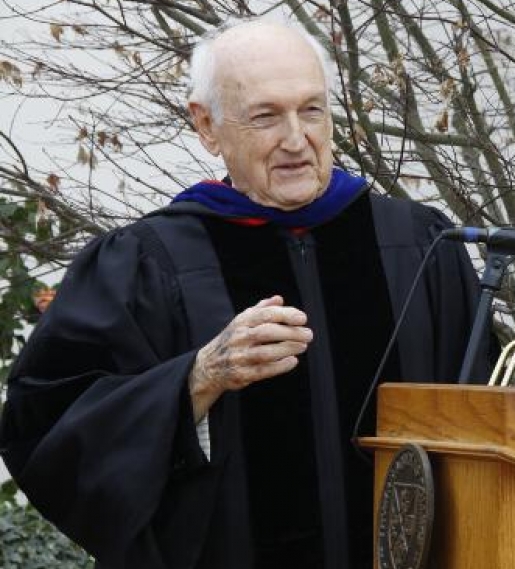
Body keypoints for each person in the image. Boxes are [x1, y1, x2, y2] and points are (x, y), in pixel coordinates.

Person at [0, 17, 485, 569]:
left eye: (312, 109)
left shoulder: (418, 245)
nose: (297, 140)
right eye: (265, 117)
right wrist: (195, 380)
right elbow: (45, 427)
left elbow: (483, 412)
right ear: (207, 126)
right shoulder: (146, 263)